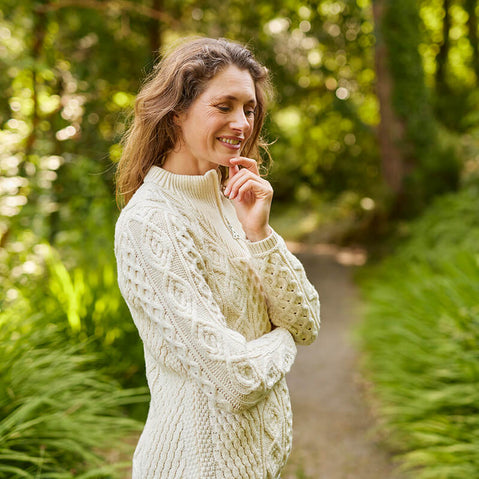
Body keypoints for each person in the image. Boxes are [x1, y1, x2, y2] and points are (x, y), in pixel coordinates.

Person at [114, 37, 320, 479]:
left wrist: (259, 232)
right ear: (176, 115)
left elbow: (306, 322)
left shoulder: (232, 202)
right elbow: (234, 377)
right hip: (195, 466)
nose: (242, 123)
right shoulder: (150, 223)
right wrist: (281, 341)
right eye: (224, 106)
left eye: (248, 108)